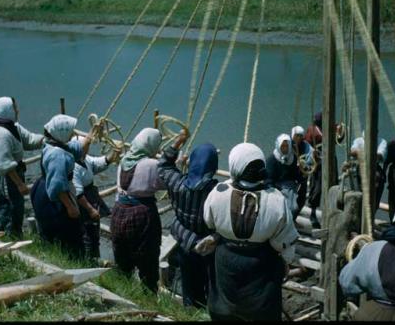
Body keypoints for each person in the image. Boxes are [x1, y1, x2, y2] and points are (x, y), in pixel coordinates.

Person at [203, 143, 299, 321]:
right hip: (261, 265)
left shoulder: (218, 193)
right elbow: (284, 241)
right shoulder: (276, 199)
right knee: (261, 313)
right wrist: (286, 262)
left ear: (235, 166)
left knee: (226, 310)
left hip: (226, 261)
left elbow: (209, 221)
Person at [157, 129, 218, 308]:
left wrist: (178, 142)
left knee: (188, 282)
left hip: (184, 242)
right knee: (208, 283)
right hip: (207, 246)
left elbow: (163, 165)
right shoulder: (216, 192)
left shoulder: (178, 183)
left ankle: (189, 309)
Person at [30, 114, 97, 259]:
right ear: (62, 132)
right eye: (71, 131)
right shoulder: (57, 155)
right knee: (67, 231)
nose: (73, 133)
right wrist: (70, 206)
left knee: (51, 231)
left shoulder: (54, 143)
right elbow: (57, 185)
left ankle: (53, 255)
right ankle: (68, 261)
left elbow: (79, 148)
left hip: (43, 187)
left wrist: (92, 132)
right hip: (54, 196)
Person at [110, 127, 166, 293]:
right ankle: (148, 296)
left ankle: (122, 292)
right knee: (147, 260)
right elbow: (166, 182)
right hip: (142, 215)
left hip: (119, 211)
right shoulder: (151, 164)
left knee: (122, 258)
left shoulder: (124, 160)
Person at [0, 96, 44, 239]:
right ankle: (4, 242)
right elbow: (4, 163)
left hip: (13, 174)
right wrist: (20, 184)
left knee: (16, 210)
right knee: (8, 211)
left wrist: (48, 137)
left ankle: (10, 240)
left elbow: (30, 139)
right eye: (14, 108)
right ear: (7, 110)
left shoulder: (13, 127)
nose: (17, 111)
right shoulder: (1, 133)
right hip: (6, 178)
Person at [72, 136, 121, 261]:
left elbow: (99, 163)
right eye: (85, 147)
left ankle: (95, 257)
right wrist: (90, 210)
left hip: (90, 196)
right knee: (87, 232)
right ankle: (88, 260)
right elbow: (78, 194)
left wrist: (113, 154)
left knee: (94, 230)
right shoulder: (73, 166)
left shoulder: (85, 159)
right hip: (84, 202)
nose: (87, 149)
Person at [304, 112, 343, 228]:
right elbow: (307, 145)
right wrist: (310, 157)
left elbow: (338, 140)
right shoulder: (311, 130)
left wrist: (341, 132)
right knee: (317, 187)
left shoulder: (332, 127)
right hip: (318, 160)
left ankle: (332, 213)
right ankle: (313, 213)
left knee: (333, 184)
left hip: (330, 158)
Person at [265, 133, 303, 220]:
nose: (285, 148)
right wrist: (274, 193)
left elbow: (297, 176)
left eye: (287, 146)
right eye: (283, 146)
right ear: (278, 146)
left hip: (289, 188)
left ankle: (288, 224)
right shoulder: (272, 160)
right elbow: (268, 179)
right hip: (275, 187)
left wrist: (302, 173)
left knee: (294, 208)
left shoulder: (293, 159)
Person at [350, 130, 388, 217]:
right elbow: (352, 151)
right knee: (359, 195)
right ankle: (359, 217)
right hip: (360, 167)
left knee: (374, 196)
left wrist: (362, 153)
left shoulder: (382, 142)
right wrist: (358, 153)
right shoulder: (358, 140)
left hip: (375, 168)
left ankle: (370, 216)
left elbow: (380, 155)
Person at [291, 126, 314, 221]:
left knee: (301, 200)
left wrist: (306, 165)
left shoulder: (306, 146)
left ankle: (294, 218)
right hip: (289, 176)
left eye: (300, 136)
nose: (298, 138)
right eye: (296, 135)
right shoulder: (287, 144)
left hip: (301, 175)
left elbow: (310, 159)